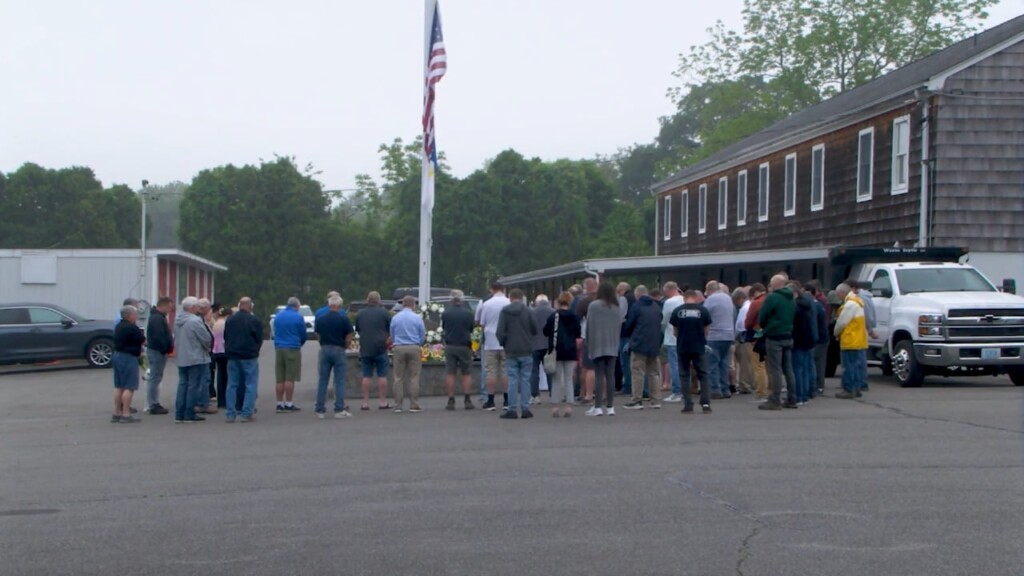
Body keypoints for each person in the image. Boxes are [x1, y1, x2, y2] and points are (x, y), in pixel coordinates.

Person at [496, 289, 538, 419]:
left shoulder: (504, 311)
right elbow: (535, 329)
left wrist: (505, 344)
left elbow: (500, 332)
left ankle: (512, 409)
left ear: (510, 297)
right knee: (525, 380)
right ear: (522, 297)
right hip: (526, 349)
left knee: (512, 379)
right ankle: (525, 409)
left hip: (511, 350)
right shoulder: (528, 311)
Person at [758, 275, 798, 411]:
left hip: (774, 335)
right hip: (788, 333)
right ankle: (792, 398)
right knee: (788, 368)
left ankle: (775, 399)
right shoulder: (791, 298)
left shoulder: (773, 297)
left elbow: (763, 315)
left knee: (775, 369)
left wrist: (765, 326)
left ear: (774, 284)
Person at [670, 290, 713, 414]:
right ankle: (705, 403)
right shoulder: (703, 311)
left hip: (683, 346)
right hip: (699, 346)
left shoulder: (677, 311)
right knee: (703, 375)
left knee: (684, 375)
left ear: (684, 298)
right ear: (695, 298)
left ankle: (688, 404)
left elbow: (674, 332)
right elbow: (707, 330)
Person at [622, 285, 662, 410]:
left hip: (639, 343)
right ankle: (655, 400)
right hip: (654, 344)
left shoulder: (636, 306)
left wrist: (629, 336)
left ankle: (637, 400)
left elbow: (630, 324)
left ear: (637, 295)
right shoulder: (656, 306)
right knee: (653, 373)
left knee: (637, 372)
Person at [585, 282, 622, 417]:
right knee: (610, 375)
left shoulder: (593, 306)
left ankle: (598, 406)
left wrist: (588, 342)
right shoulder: (616, 307)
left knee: (599, 375)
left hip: (597, 344)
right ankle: (611, 406)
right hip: (612, 344)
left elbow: (588, 325)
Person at [314, 295, 354, 419]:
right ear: (339, 305)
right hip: (339, 348)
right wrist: (345, 346)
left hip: (325, 348)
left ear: (329, 304)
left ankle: (320, 409)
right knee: (339, 380)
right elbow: (349, 335)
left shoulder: (321, 318)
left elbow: (317, 333)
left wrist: (322, 343)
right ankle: (339, 408)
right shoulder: (344, 318)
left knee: (323, 380)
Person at [224, 297, 263, 422]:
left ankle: (230, 413)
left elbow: (226, 336)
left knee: (232, 385)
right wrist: (255, 350)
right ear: (249, 306)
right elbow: (258, 338)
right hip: (248, 355)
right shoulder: (254, 320)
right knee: (250, 384)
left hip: (233, 355)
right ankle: (247, 412)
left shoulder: (230, 319)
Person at [174, 297, 212, 423]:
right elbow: (205, 338)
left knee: (182, 384)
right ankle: (189, 413)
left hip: (181, 357)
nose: (198, 309)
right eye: (196, 306)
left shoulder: (177, 320)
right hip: (195, 357)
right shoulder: (195, 321)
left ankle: (179, 413)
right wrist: (208, 347)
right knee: (193, 386)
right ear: (191, 308)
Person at [545, 292, 582, 417]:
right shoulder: (574, 316)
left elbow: (545, 331)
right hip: (570, 349)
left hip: (556, 350)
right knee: (568, 379)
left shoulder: (553, 316)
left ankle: (555, 407)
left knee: (556, 379)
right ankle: (568, 406)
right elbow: (578, 333)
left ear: (559, 302)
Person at [475, 282, 511, 411]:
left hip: (490, 342)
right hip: (506, 342)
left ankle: (490, 400)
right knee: (506, 372)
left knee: (490, 372)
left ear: (492, 290)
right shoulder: (509, 302)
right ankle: (507, 400)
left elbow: (480, 322)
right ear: (503, 289)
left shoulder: (486, 304)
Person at [355, 291, 392, 411]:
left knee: (366, 375)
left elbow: (358, 329)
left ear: (367, 300)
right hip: (381, 347)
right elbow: (390, 329)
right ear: (379, 301)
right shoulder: (384, 313)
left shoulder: (360, 314)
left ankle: (365, 403)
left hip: (365, 347)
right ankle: (382, 402)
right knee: (382, 375)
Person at [441, 289, 476, 411]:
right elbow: (471, 329)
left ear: (451, 299)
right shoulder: (468, 313)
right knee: (466, 373)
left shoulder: (446, 313)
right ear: (462, 299)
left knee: (450, 373)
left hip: (450, 345)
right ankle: (467, 399)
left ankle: (451, 400)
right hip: (464, 345)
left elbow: (444, 327)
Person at [390, 296, 426, 413]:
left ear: (403, 304)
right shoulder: (417, 318)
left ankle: (398, 405)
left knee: (398, 377)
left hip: (399, 347)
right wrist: (418, 344)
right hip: (414, 347)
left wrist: (397, 343)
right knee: (413, 377)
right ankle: (414, 404)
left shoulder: (396, 318)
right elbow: (422, 334)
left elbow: (392, 334)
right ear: (413, 305)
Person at [834, 283, 868, 399]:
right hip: (858, 339)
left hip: (850, 339)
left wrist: (836, 333)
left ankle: (848, 389)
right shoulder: (858, 302)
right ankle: (857, 387)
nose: (838, 297)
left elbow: (842, 322)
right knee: (856, 365)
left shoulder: (849, 305)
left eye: (838, 295)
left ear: (843, 293)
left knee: (847, 366)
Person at [112, 305, 145, 423]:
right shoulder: (132, 327)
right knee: (129, 386)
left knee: (119, 385)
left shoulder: (118, 326)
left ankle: (116, 412)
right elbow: (142, 339)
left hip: (117, 355)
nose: (136, 317)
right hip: (128, 357)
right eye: (135, 314)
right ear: (130, 315)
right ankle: (126, 413)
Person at [273, 297, 307, 413]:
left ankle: (279, 403)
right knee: (289, 377)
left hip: (279, 348)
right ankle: (288, 402)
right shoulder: (298, 317)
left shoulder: (278, 316)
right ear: (297, 306)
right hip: (292, 347)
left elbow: (275, 332)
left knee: (280, 378)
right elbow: (303, 334)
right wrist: (299, 343)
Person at [703, 281, 735, 399]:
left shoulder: (711, 299)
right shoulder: (728, 298)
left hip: (714, 335)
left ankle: (715, 389)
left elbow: (704, 315)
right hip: (728, 335)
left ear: (710, 289)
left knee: (712, 363)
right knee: (724, 363)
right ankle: (725, 388)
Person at [144, 296, 173, 415]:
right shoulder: (157, 319)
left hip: (157, 350)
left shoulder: (157, 317)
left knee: (155, 378)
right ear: (163, 306)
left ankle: (153, 402)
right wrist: (165, 348)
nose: (170, 310)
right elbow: (158, 336)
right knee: (155, 378)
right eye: (169, 307)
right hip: (157, 351)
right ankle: (153, 404)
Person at [791, 282, 818, 405]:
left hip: (798, 341)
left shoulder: (795, 307)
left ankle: (799, 395)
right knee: (805, 369)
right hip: (808, 340)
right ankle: (805, 394)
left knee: (797, 370)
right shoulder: (807, 305)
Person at [744, 283, 770, 400]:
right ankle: (772, 390)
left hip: (758, 336)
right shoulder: (772, 299)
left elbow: (749, 322)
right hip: (771, 336)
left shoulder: (756, 303)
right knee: (771, 366)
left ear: (755, 292)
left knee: (759, 365)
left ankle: (761, 392)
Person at [576, 277, 599, 403]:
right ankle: (604, 394)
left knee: (587, 367)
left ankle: (586, 393)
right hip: (605, 338)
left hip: (588, 337)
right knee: (605, 368)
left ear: (587, 287)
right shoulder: (607, 301)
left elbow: (577, 319)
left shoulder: (585, 302)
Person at [660, 282, 684, 403]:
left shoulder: (669, 302)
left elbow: (664, 321)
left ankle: (676, 392)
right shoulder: (685, 299)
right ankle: (685, 390)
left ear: (668, 290)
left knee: (674, 365)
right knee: (685, 365)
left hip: (672, 337)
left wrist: (662, 331)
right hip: (685, 338)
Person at [529, 294, 556, 404]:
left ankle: (535, 396)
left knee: (534, 371)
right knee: (550, 370)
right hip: (548, 345)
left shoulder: (531, 312)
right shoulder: (553, 312)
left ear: (537, 302)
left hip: (534, 344)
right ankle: (553, 394)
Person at [193, 299, 218, 415]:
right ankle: (202, 403)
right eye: (208, 309)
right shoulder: (198, 321)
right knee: (203, 379)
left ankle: (199, 401)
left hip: (198, 354)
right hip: (201, 354)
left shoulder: (199, 320)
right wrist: (208, 345)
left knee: (201, 379)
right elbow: (205, 337)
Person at [806, 282, 831, 395]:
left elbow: (814, 324)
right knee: (819, 362)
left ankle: (818, 385)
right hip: (823, 337)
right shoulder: (819, 305)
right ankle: (819, 384)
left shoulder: (815, 306)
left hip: (819, 338)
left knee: (816, 362)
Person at [732, 288, 755, 395]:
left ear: (739, 298)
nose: (736, 304)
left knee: (744, 363)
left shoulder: (744, 308)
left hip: (743, 338)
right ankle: (751, 383)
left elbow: (740, 325)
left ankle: (745, 385)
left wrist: (735, 336)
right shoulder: (751, 305)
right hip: (752, 337)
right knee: (750, 363)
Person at [615, 282, 634, 393]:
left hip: (624, 332)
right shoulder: (634, 297)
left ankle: (627, 385)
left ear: (622, 290)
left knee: (625, 361)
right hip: (632, 333)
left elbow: (620, 314)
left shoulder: (623, 299)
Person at [212, 307, 230, 409]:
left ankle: (221, 400)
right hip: (224, 350)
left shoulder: (216, 323)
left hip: (216, 351)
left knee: (220, 376)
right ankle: (226, 399)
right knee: (227, 376)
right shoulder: (225, 324)